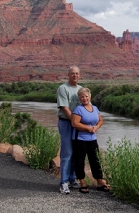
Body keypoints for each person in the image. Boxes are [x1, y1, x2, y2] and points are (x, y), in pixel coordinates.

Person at [71, 87, 109, 194]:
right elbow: (75, 123)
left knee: (95, 160)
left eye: (86, 96)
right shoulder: (78, 109)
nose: (84, 98)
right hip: (80, 139)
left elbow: (101, 120)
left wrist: (96, 127)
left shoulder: (95, 108)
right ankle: (82, 183)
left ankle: (100, 182)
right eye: (82, 97)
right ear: (79, 98)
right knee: (80, 161)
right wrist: (88, 128)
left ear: (90, 96)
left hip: (92, 139)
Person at [57, 65, 82, 194]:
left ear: (79, 75)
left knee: (76, 153)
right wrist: (74, 122)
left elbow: (86, 106)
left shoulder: (81, 89)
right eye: (72, 73)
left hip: (77, 125)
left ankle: (72, 179)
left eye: (77, 73)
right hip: (66, 123)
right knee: (67, 153)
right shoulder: (63, 88)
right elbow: (65, 108)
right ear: (68, 75)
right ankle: (64, 182)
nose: (75, 75)